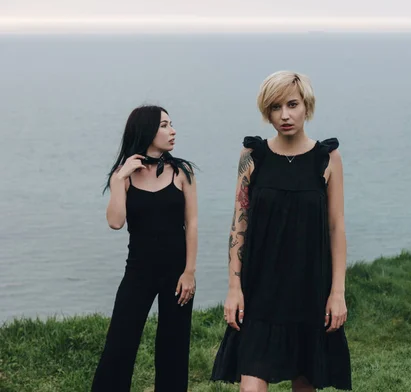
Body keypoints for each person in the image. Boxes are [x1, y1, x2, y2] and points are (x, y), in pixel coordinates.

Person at [211, 71, 352, 391]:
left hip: (309, 288)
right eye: (275, 107)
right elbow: (239, 222)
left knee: (305, 384)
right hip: (260, 290)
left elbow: (336, 227)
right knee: (251, 384)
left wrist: (337, 292)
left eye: (292, 105)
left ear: (307, 107)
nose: (285, 115)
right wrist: (234, 288)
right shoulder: (252, 156)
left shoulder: (327, 158)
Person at [92, 105, 198, 392]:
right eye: (164, 125)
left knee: (173, 349)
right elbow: (115, 222)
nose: (172, 130)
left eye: (171, 124)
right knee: (120, 345)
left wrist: (189, 272)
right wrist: (118, 179)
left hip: (177, 273)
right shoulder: (124, 175)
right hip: (138, 272)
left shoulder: (182, 172)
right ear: (147, 130)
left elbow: (192, 223)